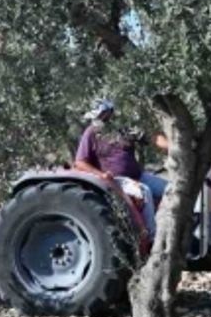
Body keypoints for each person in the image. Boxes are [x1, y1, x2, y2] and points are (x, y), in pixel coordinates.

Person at [72, 99, 169, 235]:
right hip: (116, 180)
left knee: (170, 188)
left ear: (110, 112)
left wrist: (174, 147)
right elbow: (80, 162)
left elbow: (152, 138)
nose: (102, 117)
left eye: (104, 113)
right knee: (144, 192)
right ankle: (152, 237)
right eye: (100, 114)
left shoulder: (124, 129)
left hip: (139, 176)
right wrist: (101, 174)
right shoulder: (91, 133)